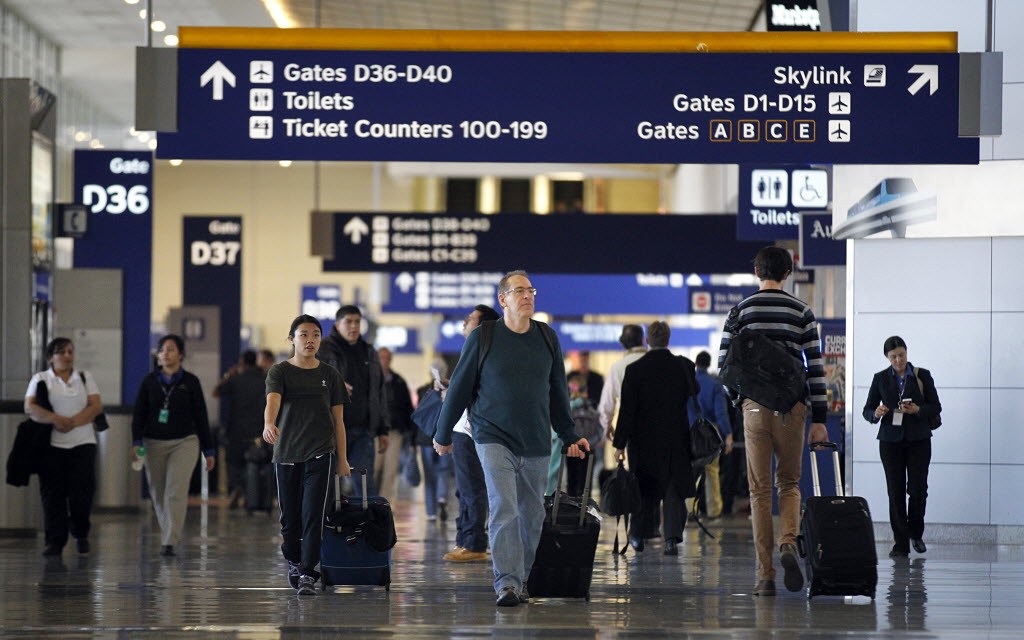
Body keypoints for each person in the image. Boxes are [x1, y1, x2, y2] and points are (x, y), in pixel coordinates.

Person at [432, 270, 590, 607]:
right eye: (519, 291)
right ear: (502, 299)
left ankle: (522, 579)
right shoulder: (484, 337)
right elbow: (459, 387)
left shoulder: (547, 337)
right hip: (492, 436)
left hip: (535, 440)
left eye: (530, 290)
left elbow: (558, 391)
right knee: (504, 507)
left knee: (531, 514)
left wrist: (569, 434)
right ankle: (507, 583)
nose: (527, 296)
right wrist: (443, 432)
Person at [718, 246, 828, 596]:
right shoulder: (802, 312)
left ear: (756, 271)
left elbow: (725, 366)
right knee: (790, 484)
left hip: (754, 409)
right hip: (792, 409)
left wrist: (741, 402)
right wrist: (819, 417)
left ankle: (765, 576)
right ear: (788, 272)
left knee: (759, 490)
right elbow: (816, 367)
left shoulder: (741, 311)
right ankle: (788, 544)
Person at [263, 314, 351, 596]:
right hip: (287, 451)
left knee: (314, 514)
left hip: (321, 452)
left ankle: (308, 573)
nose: (310, 340)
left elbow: (338, 421)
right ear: (292, 339)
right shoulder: (279, 372)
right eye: (303, 334)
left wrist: (343, 459)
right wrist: (269, 423)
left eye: (315, 334)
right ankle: (293, 558)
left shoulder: (329, 375)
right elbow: (273, 401)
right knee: (290, 518)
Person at [613, 321, 699, 556]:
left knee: (644, 488)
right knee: (673, 490)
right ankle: (671, 539)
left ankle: (638, 536)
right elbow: (695, 391)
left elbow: (627, 411)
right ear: (668, 340)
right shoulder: (683, 366)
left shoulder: (635, 370)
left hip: (643, 441)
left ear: (647, 341)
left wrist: (619, 444)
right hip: (675, 439)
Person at [131, 334, 216, 557]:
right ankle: (169, 531)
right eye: (161, 350)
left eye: (170, 349)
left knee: (174, 492)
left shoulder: (190, 382)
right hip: (153, 443)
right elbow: (139, 414)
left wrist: (208, 450)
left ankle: (169, 540)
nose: (165, 353)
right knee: (158, 493)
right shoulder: (149, 381)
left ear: (180, 354)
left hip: (185, 442)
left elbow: (201, 417)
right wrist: (136, 441)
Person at [862, 335, 941, 558]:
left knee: (917, 490)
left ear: (907, 353)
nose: (898, 360)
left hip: (919, 439)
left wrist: (917, 410)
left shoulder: (921, 376)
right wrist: (875, 413)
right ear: (887, 358)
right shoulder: (880, 379)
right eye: (893, 357)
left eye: (901, 355)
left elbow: (936, 407)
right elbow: (867, 410)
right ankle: (901, 543)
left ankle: (916, 532)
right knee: (895, 492)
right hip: (890, 441)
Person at [24, 337, 104, 557]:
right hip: (52, 445)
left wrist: (73, 422)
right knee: (53, 495)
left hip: (83, 443)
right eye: (61, 352)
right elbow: (30, 407)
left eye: (70, 352)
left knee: (82, 494)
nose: (67, 356)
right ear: (50, 357)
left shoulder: (84, 377)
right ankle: (55, 541)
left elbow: (96, 405)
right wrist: (55, 419)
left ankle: (80, 532)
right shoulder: (40, 379)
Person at [442, 304, 500, 563]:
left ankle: (475, 543)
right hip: (463, 428)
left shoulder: (485, 351)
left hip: (470, 429)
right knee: (463, 490)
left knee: (472, 488)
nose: (464, 323)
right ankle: (465, 540)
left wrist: (451, 393)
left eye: (469, 319)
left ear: (481, 325)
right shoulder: (473, 349)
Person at [317, 305, 390, 497]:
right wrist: (333, 385)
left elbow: (378, 391)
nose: (354, 326)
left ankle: (366, 526)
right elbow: (310, 381)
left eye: (357, 322)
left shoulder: (369, 352)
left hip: (362, 431)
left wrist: (383, 429)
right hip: (329, 431)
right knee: (327, 487)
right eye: (348, 321)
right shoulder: (323, 350)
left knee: (365, 486)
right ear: (337, 324)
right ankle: (329, 527)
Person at [213, 349, 268, 509]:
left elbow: (215, 392)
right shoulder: (264, 379)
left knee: (234, 463)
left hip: (236, 430)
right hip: (258, 430)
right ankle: (254, 496)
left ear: (242, 362)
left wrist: (228, 376)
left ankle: (238, 488)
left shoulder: (236, 379)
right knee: (257, 463)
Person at [690, 350, 734, 519]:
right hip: (710, 432)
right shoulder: (714, 385)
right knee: (711, 471)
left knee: (689, 471)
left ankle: (687, 510)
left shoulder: (689, 383)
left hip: (689, 431)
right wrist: (728, 434)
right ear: (708, 364)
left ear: (696, 363)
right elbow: (721, 413)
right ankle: (713, 510)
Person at [375, 347, 414, 503]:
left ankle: (384, 502)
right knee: (373, 468)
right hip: (375, 432)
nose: (384, 360)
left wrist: (409, 432)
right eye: (381, 357)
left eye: (387, 357)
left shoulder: (399, 381)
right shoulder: (369, 380)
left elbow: (407, 407)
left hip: (394, 431)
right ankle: (370, 500)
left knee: (390, 469)